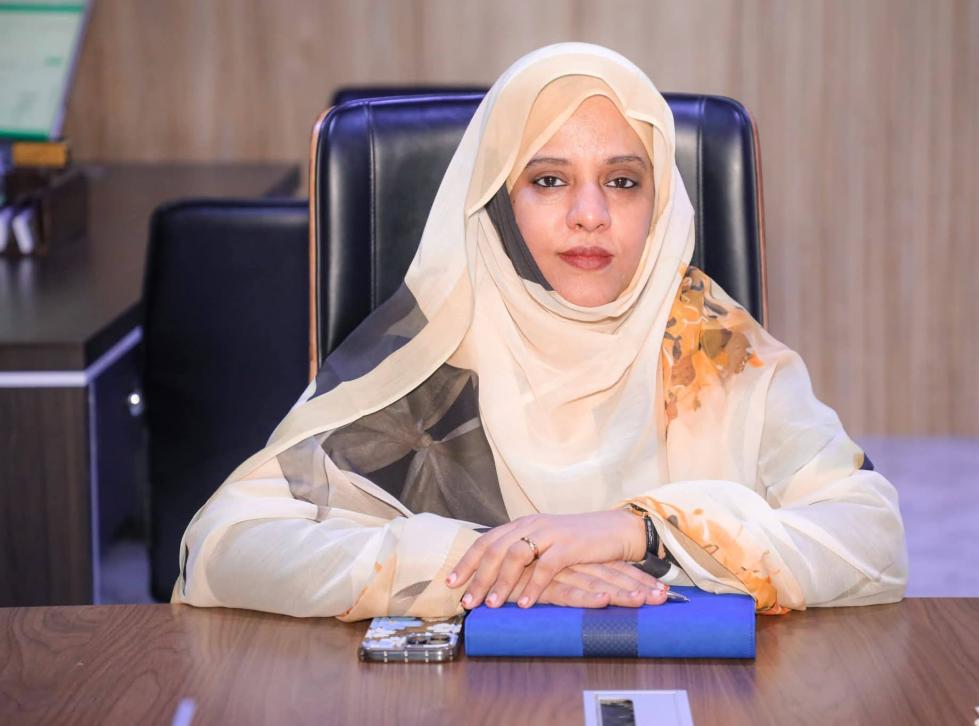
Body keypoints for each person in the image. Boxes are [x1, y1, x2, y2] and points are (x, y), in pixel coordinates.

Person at [173, 42, 907, 621]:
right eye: (549, 180)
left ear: (660, 204)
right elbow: (223, 545)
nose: (589, 215)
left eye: (623, 181)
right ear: (497, 199)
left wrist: (640, 530)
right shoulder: (430, 352)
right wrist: (490, 564)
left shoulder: (713, 350)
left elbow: (872, 538)